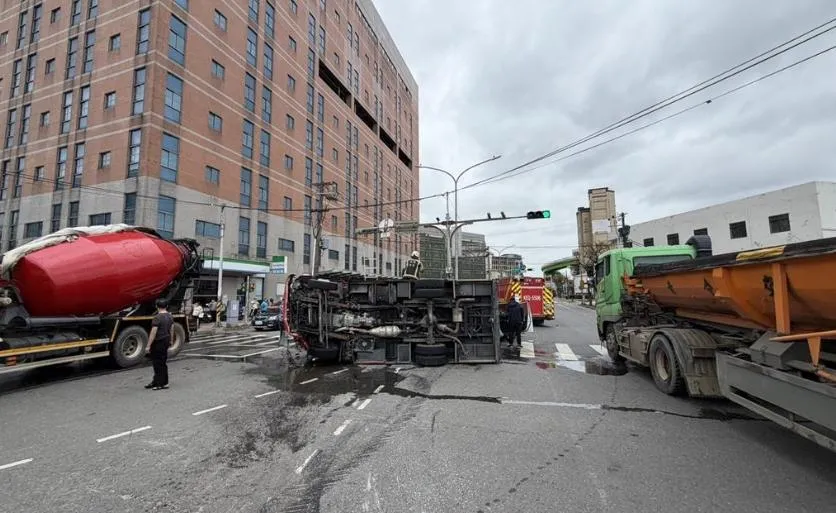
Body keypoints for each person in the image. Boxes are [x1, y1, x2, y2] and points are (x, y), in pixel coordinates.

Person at [145, 298, 174, 390]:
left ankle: (159, 384)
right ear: (167, 306)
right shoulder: (170, 316)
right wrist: (171, 340)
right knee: (163, 362)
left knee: (157, 363)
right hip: (166, 340)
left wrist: (148, 345)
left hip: (158, 342)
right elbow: (172, 329)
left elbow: (153, 332)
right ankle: (164, 382)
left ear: (157, 306)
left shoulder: (157, 317)